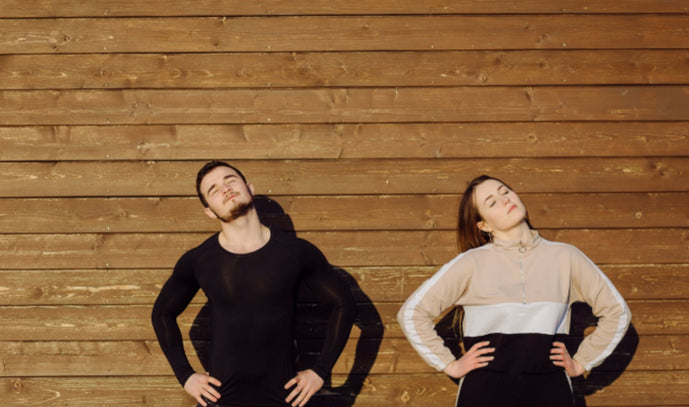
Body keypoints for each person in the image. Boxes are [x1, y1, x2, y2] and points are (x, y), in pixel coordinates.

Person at [397, 175, 631, 406]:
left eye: (505, 191)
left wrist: (581, 362)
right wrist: (450, 364)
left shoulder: (566, 257)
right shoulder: (471, 263)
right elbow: (412, 314)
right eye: (492, 202)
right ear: (484, 225)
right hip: (483, 395)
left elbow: (617, 312)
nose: (505, 199)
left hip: (551, 392)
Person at [152, 161, 355, 407]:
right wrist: (186, 376)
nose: (225, 189)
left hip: (284, 400)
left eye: (230, 180)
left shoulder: (296, 252)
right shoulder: (200, 260)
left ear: (249, 188)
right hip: (222, 401)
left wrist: (320, 371)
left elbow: (344, 304)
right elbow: (162, 313)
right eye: (214, 190)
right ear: (209, 211)